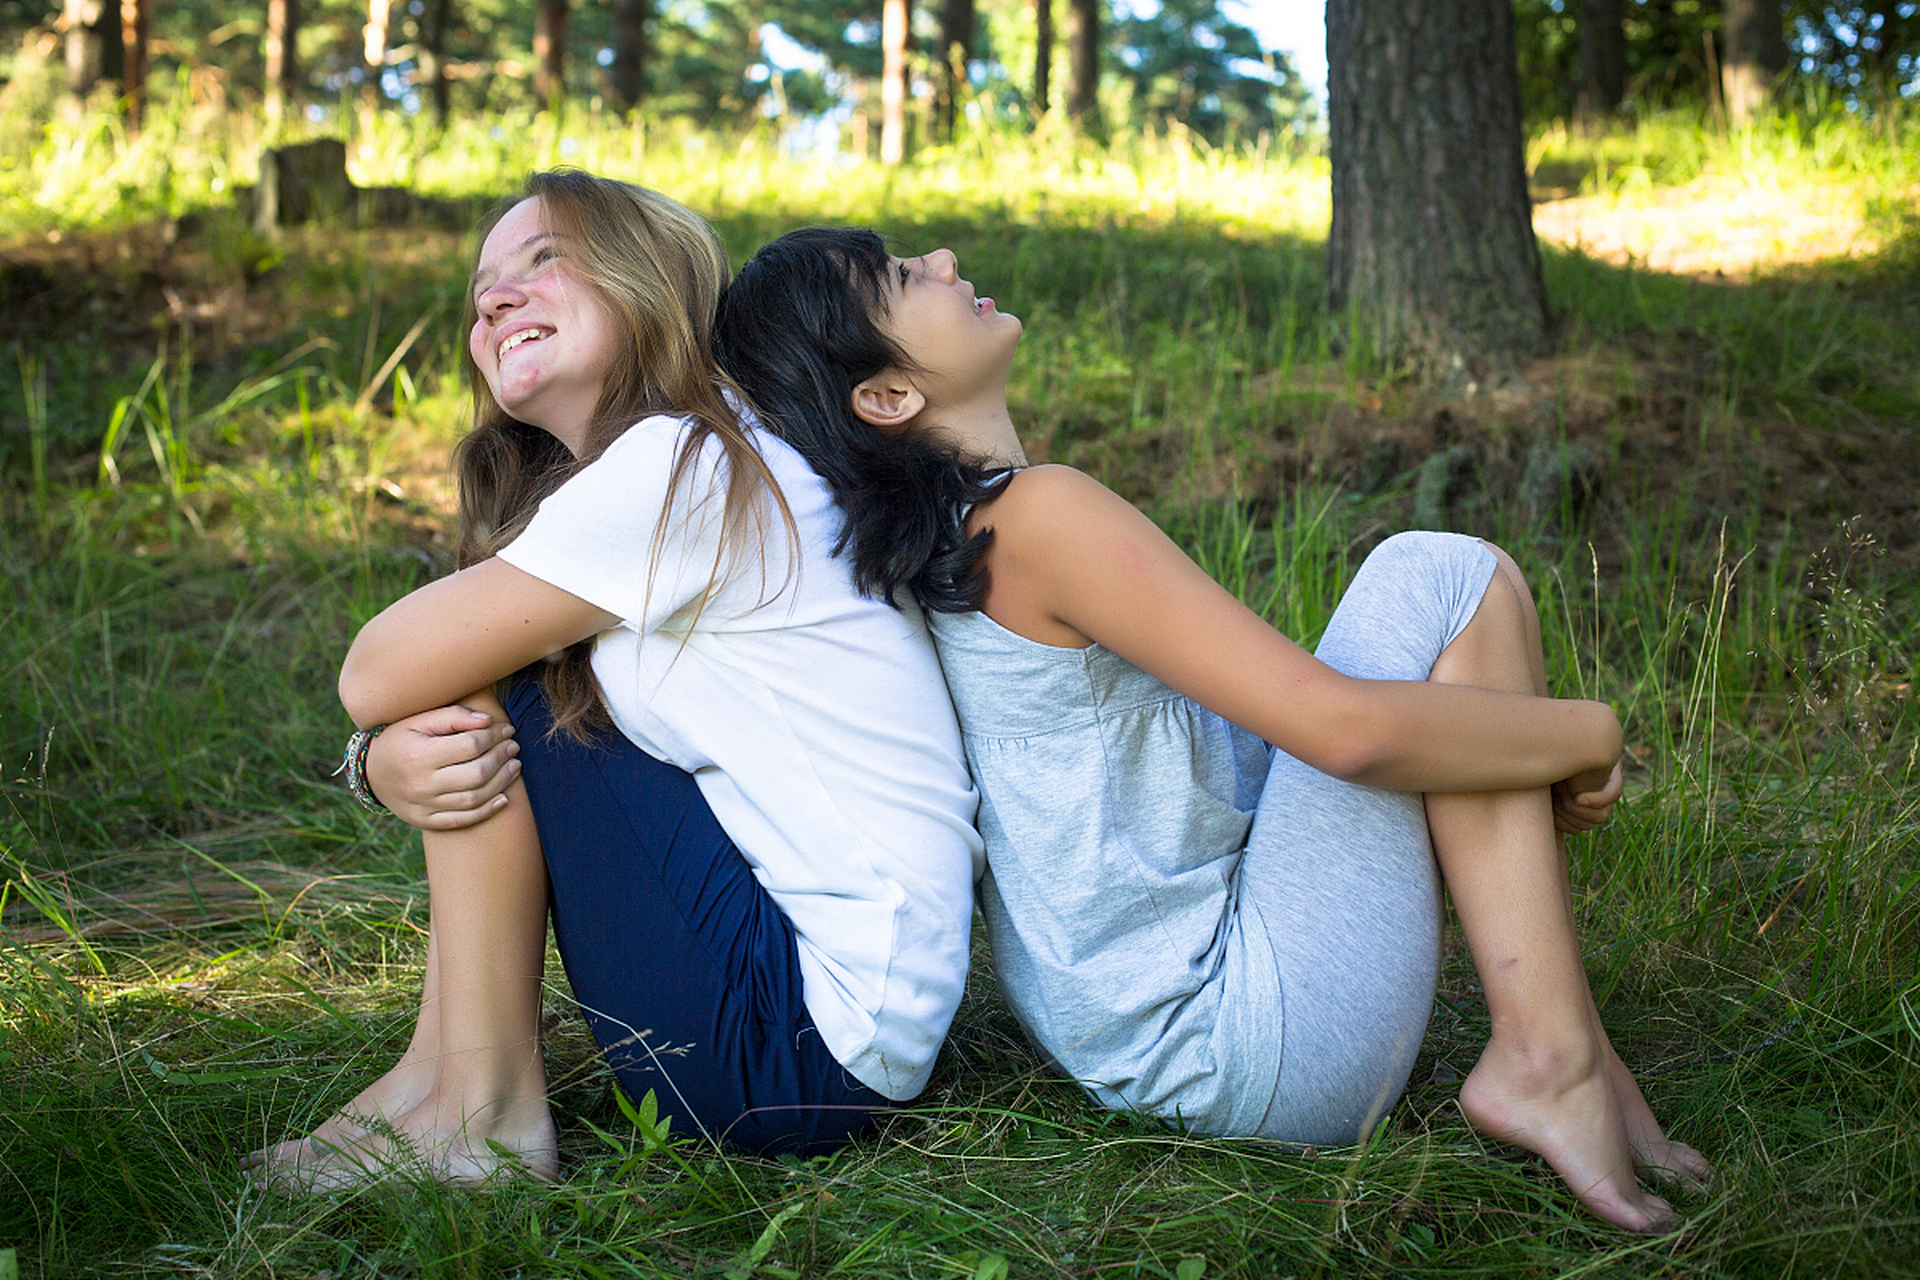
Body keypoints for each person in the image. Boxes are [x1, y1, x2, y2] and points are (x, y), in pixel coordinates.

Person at [707, 228, 1714, 1233]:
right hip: (1244, 1035)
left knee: (1441, 629)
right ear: (885, 397)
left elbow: (1269, 741)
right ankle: (1547, 1055)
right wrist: (1586, 729)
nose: (938, 258)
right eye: (898, 276)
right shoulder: (1034, 519)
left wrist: (1506, 743)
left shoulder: (953, 555)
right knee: (1446, 574)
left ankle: (1566, 1042)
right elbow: (1345, 731)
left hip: (1154, 1048)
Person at [247, 177, 983, 1189]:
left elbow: (376, 667)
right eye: (481, 291)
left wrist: (377, 752)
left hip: (797, 1039)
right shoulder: (707, 455)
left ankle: (478, 1110)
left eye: (544, 259)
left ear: (652, 279)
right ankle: (440, 1080)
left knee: (474, 675)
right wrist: (381, 755)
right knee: (485, 669)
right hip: (836, 1029)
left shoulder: (684, 464)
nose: (497, 299)